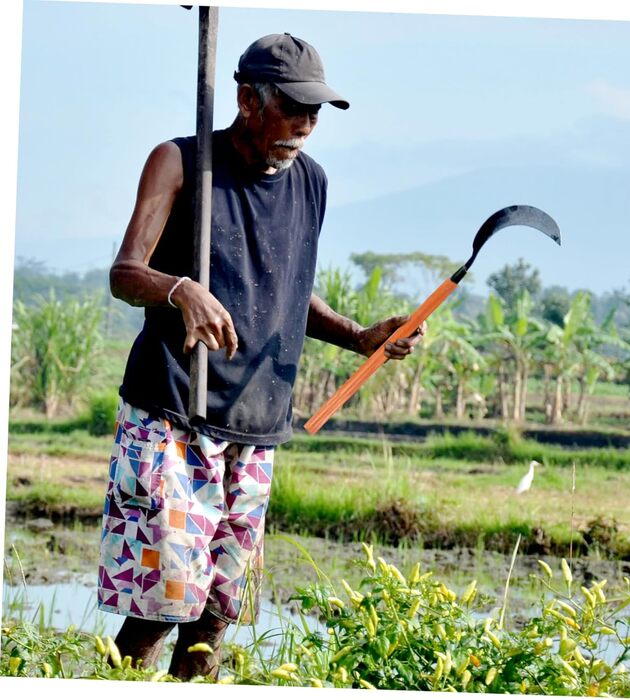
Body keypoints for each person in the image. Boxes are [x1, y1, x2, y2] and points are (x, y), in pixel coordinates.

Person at [97, 33, 425, 680]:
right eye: (294, 108)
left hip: (256, 421)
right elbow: (124, 273)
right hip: (173, 413)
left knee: (217, 610)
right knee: (162, 603)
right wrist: (179, 289)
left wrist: (359, 335)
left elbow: (286, 288)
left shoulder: (312, 182)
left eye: (316, 113)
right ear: (248, 99)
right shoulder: (181, 161)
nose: (306, 125)